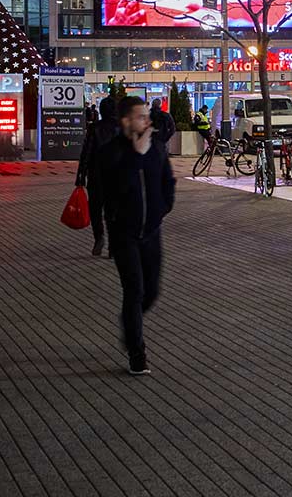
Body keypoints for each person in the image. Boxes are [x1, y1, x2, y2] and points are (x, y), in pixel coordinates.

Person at [92, 96, 176, 376]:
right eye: (141, 116)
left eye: (147, 116)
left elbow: (168, 180)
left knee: (151, 291)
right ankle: (137, 352)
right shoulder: (111, 153)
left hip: (151, 232)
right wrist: (135, 156)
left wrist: (163, 208)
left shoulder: (157, 148)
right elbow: (111, 191)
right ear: (126, 121)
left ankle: (130, 324)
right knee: (135, 290)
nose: (148, 121)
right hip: (124, 234)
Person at [75, 101, 117, 257]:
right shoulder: (121, 128)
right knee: (113, 212)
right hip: (116, 177)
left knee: (95, 210)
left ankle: (99, 237)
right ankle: (113, 245)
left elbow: (86, 153)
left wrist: (80, 175)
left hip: (96, 175)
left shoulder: (94, 128)